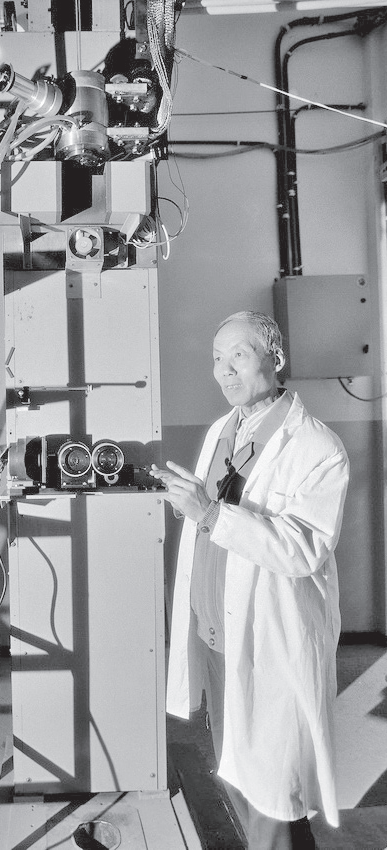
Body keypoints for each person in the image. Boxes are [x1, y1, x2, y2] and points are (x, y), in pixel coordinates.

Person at [151, 311, 349, 850]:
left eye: (238, 355)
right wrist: (191, 505)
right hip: (217, 635)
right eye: (217, 358)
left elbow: (303, 548)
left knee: (274, 795)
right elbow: (213, 518)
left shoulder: (317, 448)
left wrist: (210, 514)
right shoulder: (224, 429)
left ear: (276, 359)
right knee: (238, 775)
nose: (224, 370)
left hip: (269, 642)